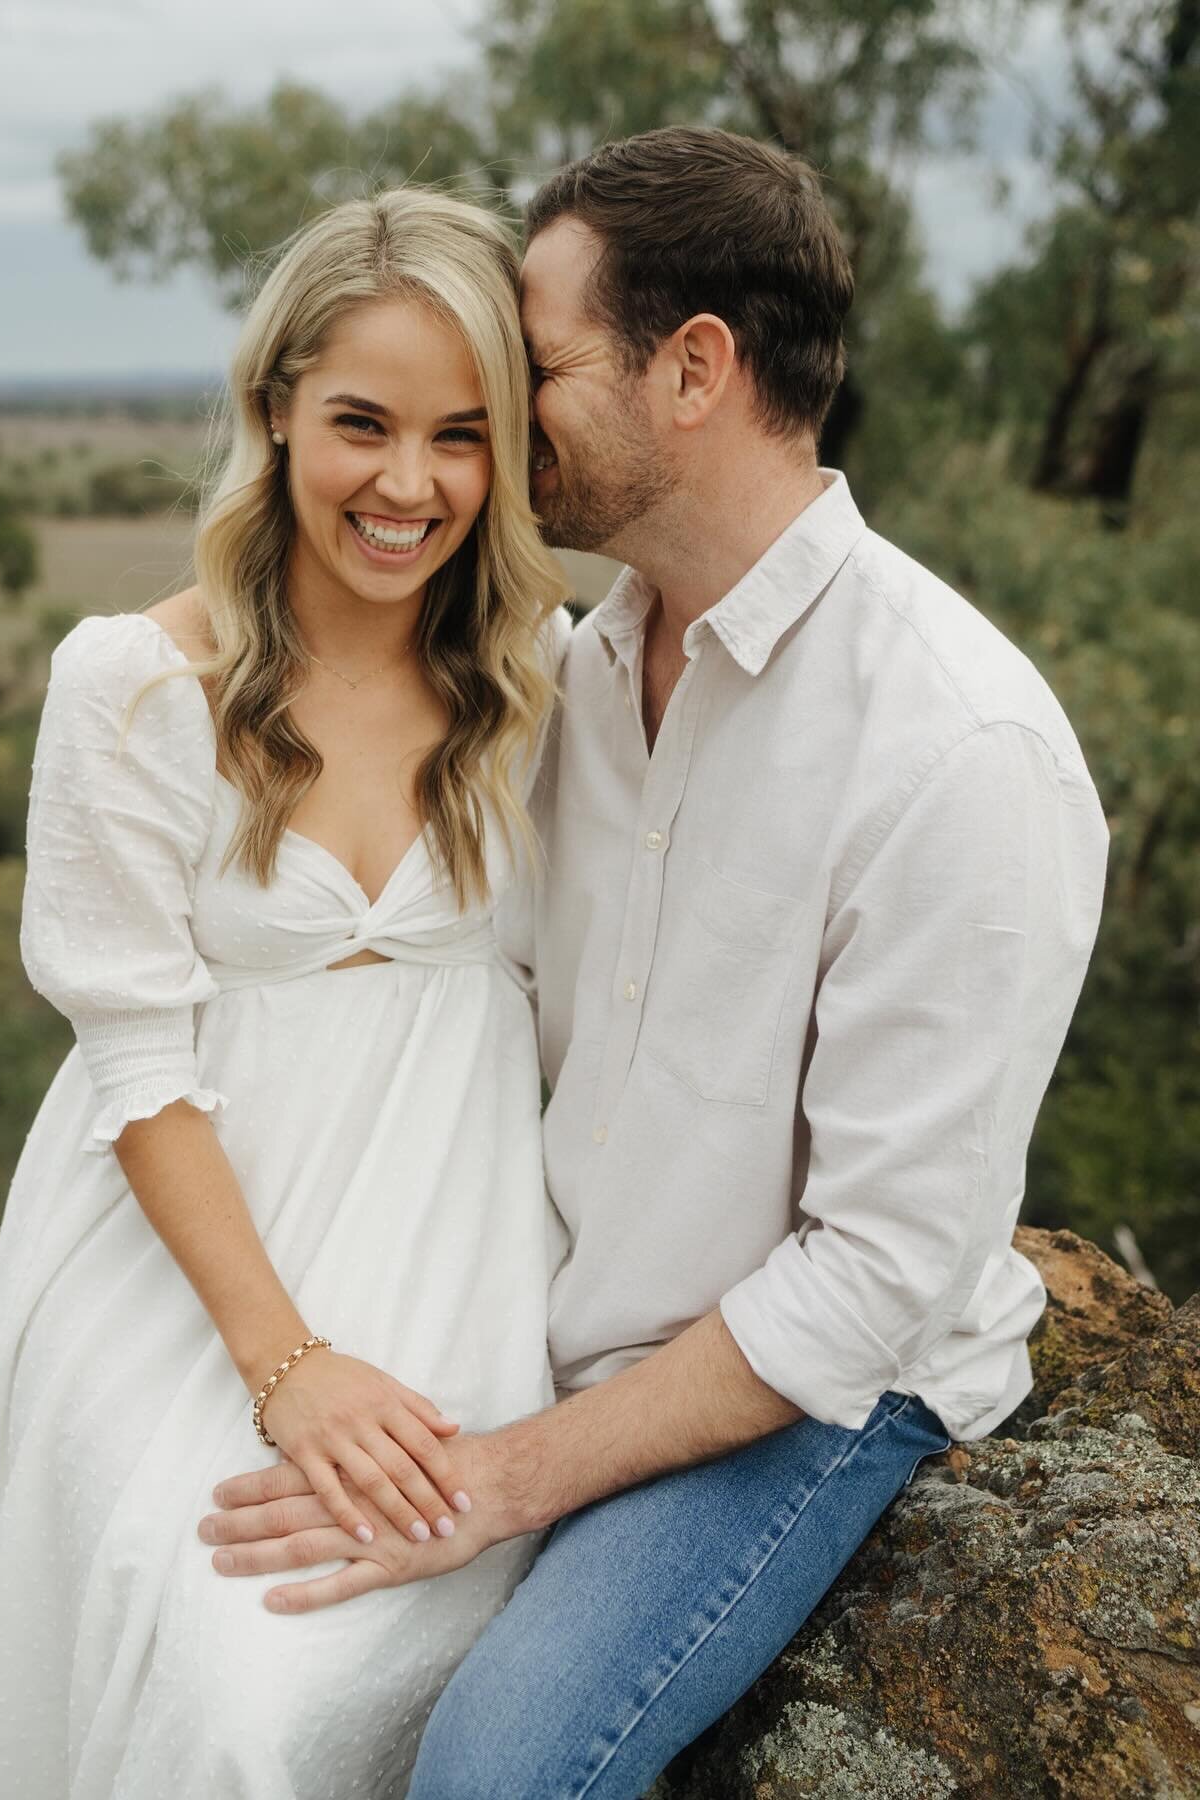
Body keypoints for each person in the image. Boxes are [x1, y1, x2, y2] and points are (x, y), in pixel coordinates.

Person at [197, 128, 1111, 1799]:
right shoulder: (568, 675)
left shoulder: (958, 748)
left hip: (795, 1400)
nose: (488, 414)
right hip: (534, 1315)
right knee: (223, 1653)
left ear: (693, 370)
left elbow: (876, 1275)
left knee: (488, 1768)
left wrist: (503, 1478)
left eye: (527, 367)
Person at [0, 188, 571, 1800]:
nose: (410, 486)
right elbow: (135, 1060)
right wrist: (287, 1369)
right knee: (224, 1690)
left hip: (459, 1254)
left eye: (462, 436)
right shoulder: (134, 685)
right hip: (189, 1271)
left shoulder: (548, 675)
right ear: (272, 411)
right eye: (361, 424)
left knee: (382, 1662)